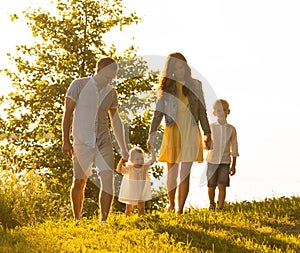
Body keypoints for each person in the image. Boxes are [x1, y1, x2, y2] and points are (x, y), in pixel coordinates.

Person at [61, 57, 128, 224]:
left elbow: (115, 120)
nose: (109, 80)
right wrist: (65, 140)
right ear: (98, 70)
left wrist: (124, 149)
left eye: (112, 77)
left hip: (103, 141)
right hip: (82, 141)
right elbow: (67, 114)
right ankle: (77, 219)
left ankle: (103, 221)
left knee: (107, 178)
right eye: (107, 76)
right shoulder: (78, 85)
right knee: (79, 181)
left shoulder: (111, 92)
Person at [147, 52, 212, 214]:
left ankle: (180, 210)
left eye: (181, 66)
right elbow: (158, 112)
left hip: (190, 130)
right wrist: (152, 133)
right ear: (171, 70)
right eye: (176, 67)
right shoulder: (167, 86)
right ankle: (171, 204)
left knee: (184, 174)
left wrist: (207, 133)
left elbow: (202, 111)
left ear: (185, 67)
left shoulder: (196, 85)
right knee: (172, 173)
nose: (179, 70)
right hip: (173, 130)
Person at [206, 99, 239, 210]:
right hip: (212, 161)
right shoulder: (211, 127)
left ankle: (220, 207)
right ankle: (211, 204)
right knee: (211, 186)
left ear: (228, 112)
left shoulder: (231, 129)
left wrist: (234, 165)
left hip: (225, 162)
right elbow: (205, 143)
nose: (221, 112)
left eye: (224, 110)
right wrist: (206, 144)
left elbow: (234, 148)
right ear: (214, 113)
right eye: (218, 110)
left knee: (222, 185)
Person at [116, 146, 156, 216]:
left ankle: (141, 219)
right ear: (131, 160)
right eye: (137, 159)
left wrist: (152, 150)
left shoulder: (144, 167)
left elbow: (152, 160)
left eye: (142, 158)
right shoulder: (130, 168)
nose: (140, 160)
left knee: (141, 207)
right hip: (131, 191)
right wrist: (121, 162)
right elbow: (119, 170)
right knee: (129, 208)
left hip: (141, 191)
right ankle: (127, 217)